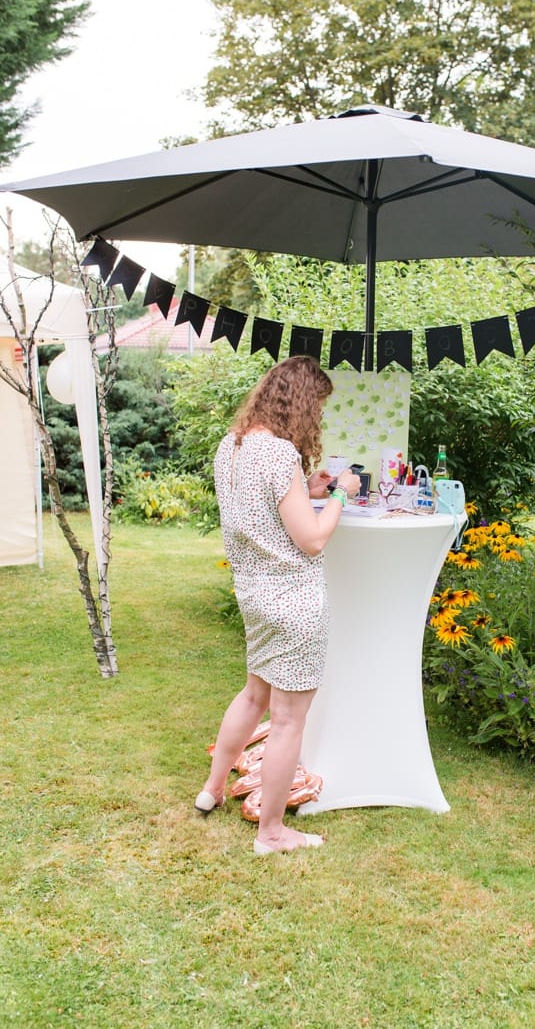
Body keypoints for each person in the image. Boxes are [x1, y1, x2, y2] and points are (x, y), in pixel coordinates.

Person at [195, 355, 360, 855]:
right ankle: (271, 832)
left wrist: (306, 490)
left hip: (255, 597)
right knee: (289, 720)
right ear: (304, 404)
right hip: (294, 601)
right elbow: (310, 541)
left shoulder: (233, 446)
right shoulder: (282, 454)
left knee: (252, 697)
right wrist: (341, 497)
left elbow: (257, 509)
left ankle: (213, 789)